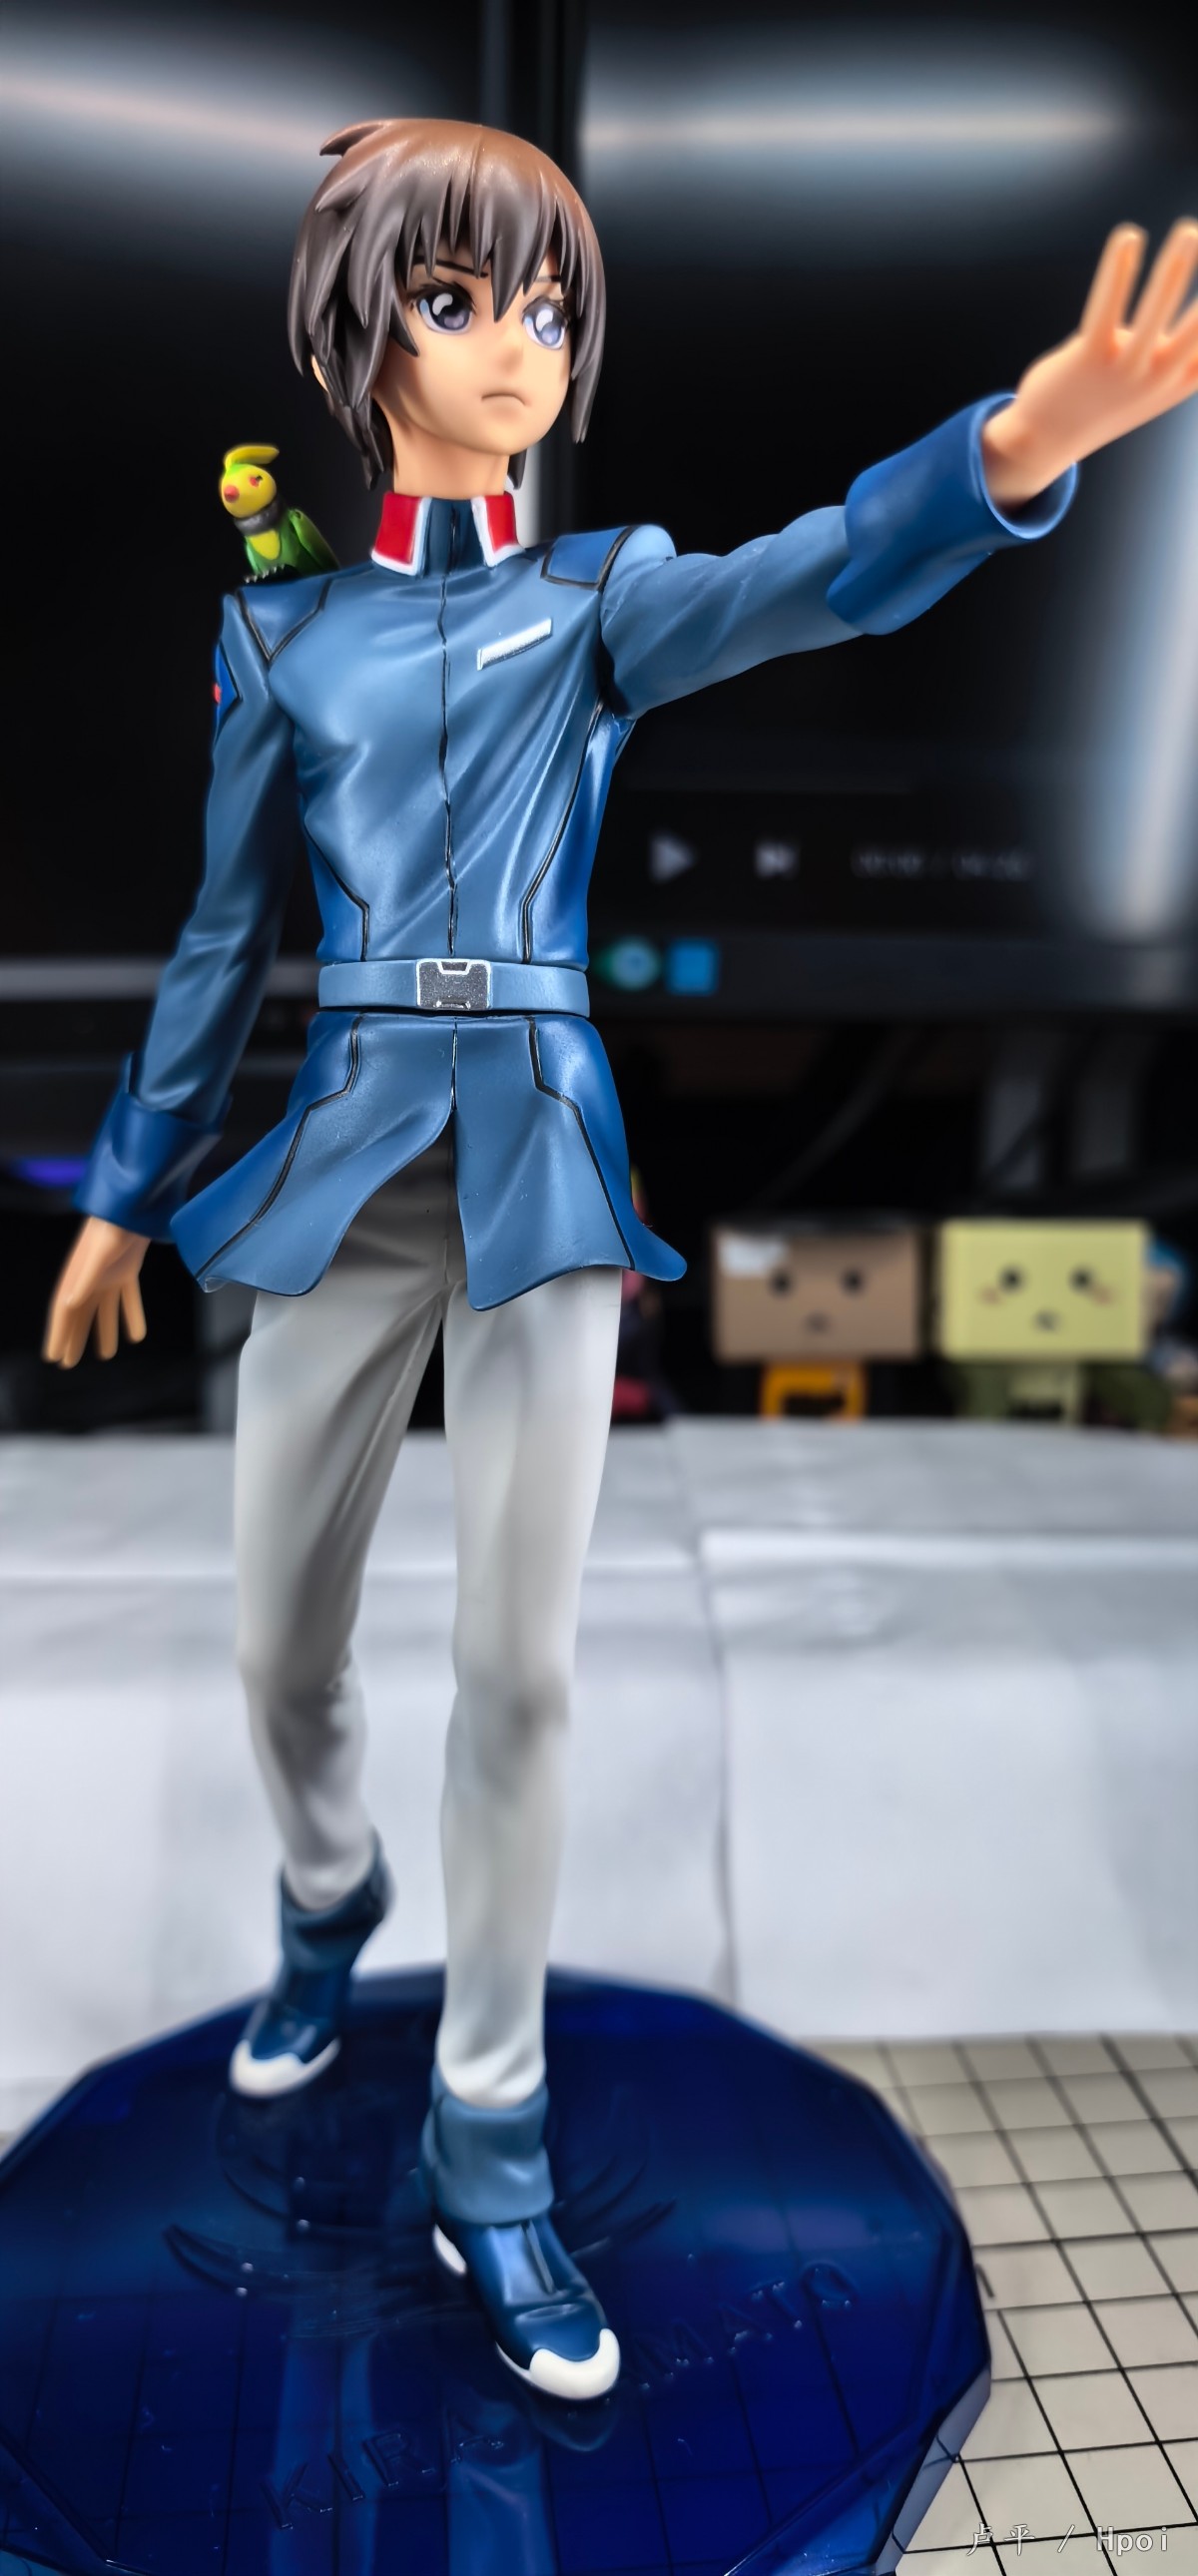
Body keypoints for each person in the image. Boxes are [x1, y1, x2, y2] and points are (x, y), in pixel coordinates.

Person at [44, 118, 1197, 2398]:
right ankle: (327, 1897)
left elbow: (818, 574)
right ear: (364, 334)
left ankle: (492, 2141)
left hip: (544, 1171)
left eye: (553, 305)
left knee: (527, 1671)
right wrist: (117, 1190)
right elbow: (215, 936)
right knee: (279, 1646)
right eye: (462, 299)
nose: (522, 347)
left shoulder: (600, 600)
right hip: (343, 1160)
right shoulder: (279, 628)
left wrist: (1016, 448)